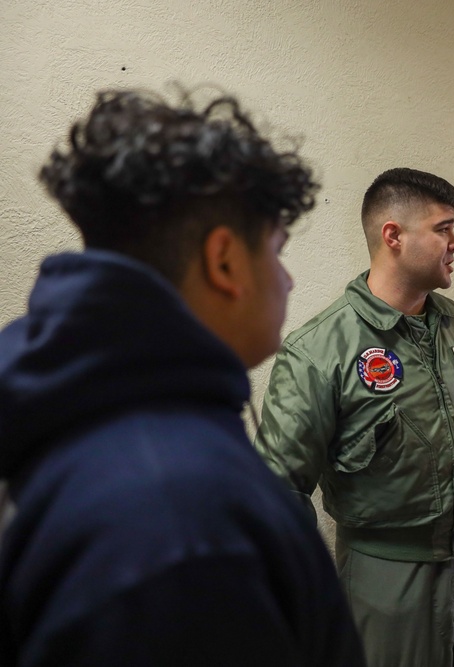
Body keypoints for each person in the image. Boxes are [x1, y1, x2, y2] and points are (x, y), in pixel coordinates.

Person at [0, 88, 365, 666]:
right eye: (277, 250)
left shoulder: (72, 410)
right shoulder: (182, 524)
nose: (288, 281)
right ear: (224, 261)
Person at [255, 167, 454, 667]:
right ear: (393, 236)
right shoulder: (320, 350)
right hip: (386, 583)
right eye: (444, 228)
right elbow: (276, 491)